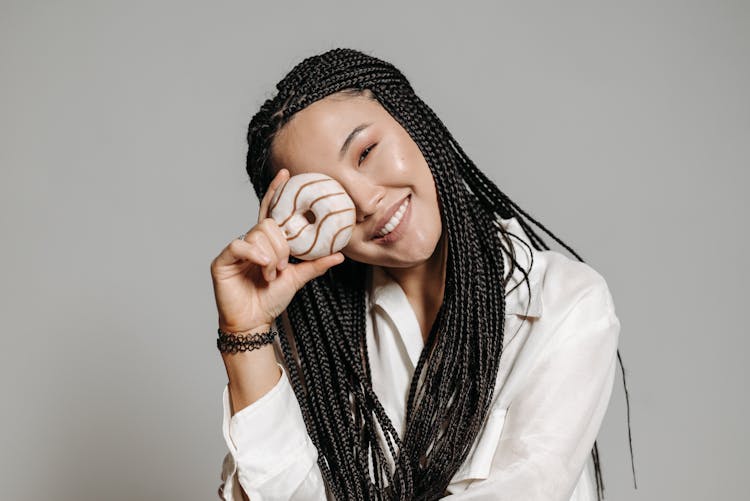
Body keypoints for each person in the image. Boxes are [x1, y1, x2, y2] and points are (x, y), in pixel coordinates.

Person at [210, 48, 633, 501]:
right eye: (326, 197)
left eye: (367, 152)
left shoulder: (567, 303)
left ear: (413, 121)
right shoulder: (318, 338)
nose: (366, 201)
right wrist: (246, 336)